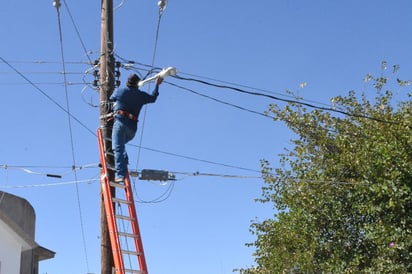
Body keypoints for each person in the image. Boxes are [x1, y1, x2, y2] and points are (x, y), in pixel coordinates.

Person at [110, 73, 162, 182]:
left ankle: (120, 174)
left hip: (121, 123)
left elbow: (110, 99)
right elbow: (153, 98)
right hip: (132, 129)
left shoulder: (120, 91)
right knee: (120, 145)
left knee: (117, 148)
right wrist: (157, 85)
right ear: (138, 85)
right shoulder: (141, 95)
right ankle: (124, 162)